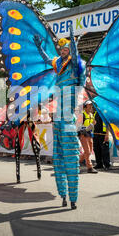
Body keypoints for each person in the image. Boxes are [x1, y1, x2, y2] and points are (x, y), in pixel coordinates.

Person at [34, 27, 86, 209]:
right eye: (62, 49)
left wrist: (73, 39)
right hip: (59, 113)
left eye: (66, 49)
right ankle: (63, 194)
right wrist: (39, 48)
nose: (63, 52)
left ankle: (72, 197)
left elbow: (76, 53)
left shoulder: (75, 64)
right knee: (59, 158)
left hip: (68, 107)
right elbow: (47, 60)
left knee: (70, 160)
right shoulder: (58, 63)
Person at [77, 101, 98, 173]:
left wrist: (93, 125)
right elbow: (78, 125)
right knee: (87, 151)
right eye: (89, 105)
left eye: (91, 105)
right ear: (85, 106)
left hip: (90, 134)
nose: (91, 107)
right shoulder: (82, 115)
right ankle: (89, 167)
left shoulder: (91, 115)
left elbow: (92, 125)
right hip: (83, 134)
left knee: (88, 152)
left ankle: (76, 162)